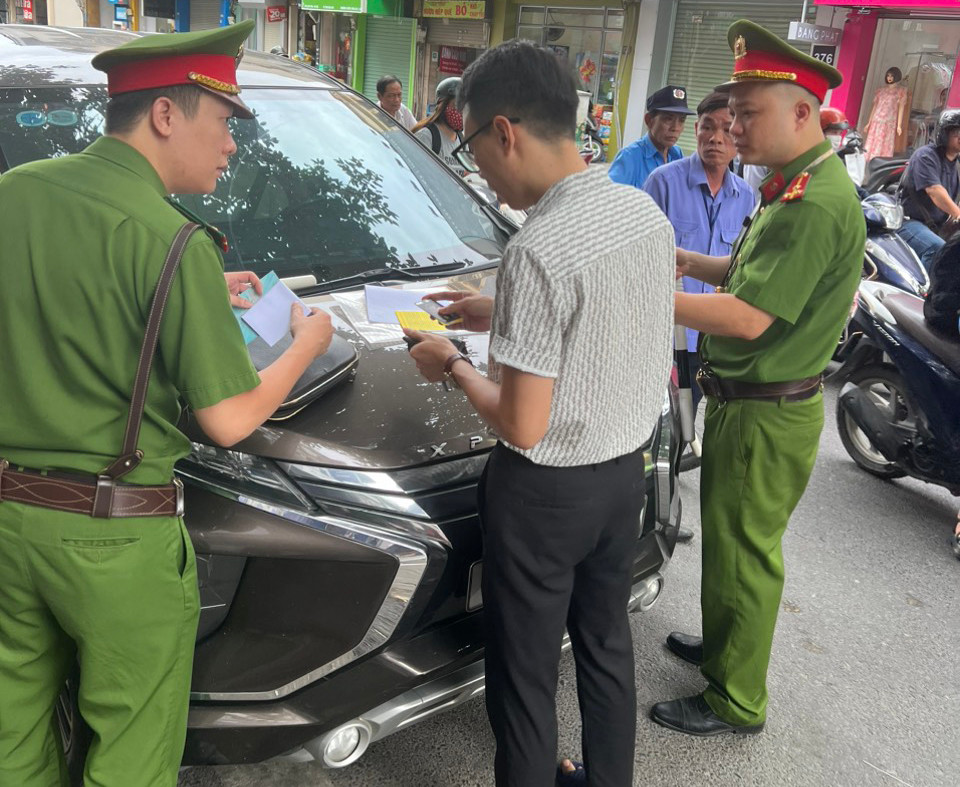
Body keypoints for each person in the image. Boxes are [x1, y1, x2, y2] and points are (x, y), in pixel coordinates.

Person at [0, 23, 335, 787]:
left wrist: (188, 290)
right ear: (163, 116)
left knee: (11, 735)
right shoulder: (175, 241)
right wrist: (305, 343)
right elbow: (230, 418)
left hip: (11, 521)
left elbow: (65, 291)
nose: (231, 146)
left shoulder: (14, 193)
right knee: (131, 748)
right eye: (222, 121)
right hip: (116, 543)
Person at [404, 39, 674, 787]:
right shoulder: (640, 212)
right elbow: (607, 321)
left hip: (544, 495)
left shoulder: (537, 247)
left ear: (505, 132)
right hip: (621, 477)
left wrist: (451, 362)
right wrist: (498, 312)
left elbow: (522, 423)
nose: (480, 170)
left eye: (472, 147)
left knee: (524, 676)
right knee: (605, 645)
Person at [651, 20, 864, 737]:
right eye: (731, 114)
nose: (733, 128)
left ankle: (735, 699)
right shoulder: (791, 186)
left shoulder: (814, 203)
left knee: (744, 553)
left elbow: (746, 317)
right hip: (748, 404)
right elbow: (747, 277)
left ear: (802, 112)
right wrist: (690, 262)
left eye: (747, 114)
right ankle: (725, 648)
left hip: (764, 413)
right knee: (728, 542)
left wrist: (645, 291)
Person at [643, 90, 755, 412]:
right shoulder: (663, 182)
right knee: (655, 421)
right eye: (707, 127)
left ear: (738, 134)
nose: (716, 138)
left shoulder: (746, 196)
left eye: (726, 128)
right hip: (665, 337)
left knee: (688, 420)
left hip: (713, 341)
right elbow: (642, 258)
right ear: (697, 131)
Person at [897, 109, 960, 274]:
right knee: (936, 248)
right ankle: (925, 288)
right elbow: (935, 191)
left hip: (938, 227)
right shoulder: (926, 156)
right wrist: (958, 213)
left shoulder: (957, 165)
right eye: (957, 132)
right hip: (909, 222)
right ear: (944, 133)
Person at [608, 84, 696, 189]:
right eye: (668, 119)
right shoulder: (630, 157)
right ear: (649, 120)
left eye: (681, 120)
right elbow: (610, 196)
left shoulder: (676, 154)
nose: (675, 128)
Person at [413, 77, 466, 176]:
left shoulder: (462, 140)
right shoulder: (426, 136)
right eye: (457, 104)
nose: (462, 111)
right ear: (443, 104)